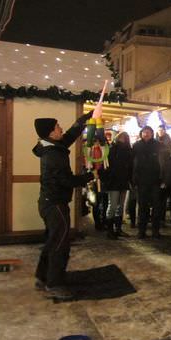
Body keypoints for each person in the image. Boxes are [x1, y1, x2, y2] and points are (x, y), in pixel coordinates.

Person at [33, 111, 95, 301]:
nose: (61, 128)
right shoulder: (53, 155)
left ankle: (42, 277)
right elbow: (66, 181)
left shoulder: (50, 147)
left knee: (53, 241)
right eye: (57, 126)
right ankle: (55, 284)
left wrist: (83, 121)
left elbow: (68, 136)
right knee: (60, 244)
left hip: (48, 202)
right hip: (55, 205)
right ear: (52, 133)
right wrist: (88, 177)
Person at [132, 126, 166, 239]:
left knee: (157, 207)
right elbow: (133, 163)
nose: (146, 134)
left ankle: (155, 231)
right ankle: (142, 230)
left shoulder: (158, 145)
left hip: (156, 180)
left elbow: (164, 163)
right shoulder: (136, 146)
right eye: (144, 132)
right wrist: (134, 178)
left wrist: (163, 178)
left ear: (152, 133)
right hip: (141, 181)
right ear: (141, 133)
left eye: (148, 132)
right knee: (142, 207)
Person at [104, 131, 133, 239]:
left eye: (125, 137)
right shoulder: (112, 149)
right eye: (122, 137)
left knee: (120, 206)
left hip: (123, 181)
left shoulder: (128, 150)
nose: (123, 139)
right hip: (114, 181)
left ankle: (118, 229)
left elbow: (130, 167)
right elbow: (108, 166)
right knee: (113, 205)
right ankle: (110, 230)